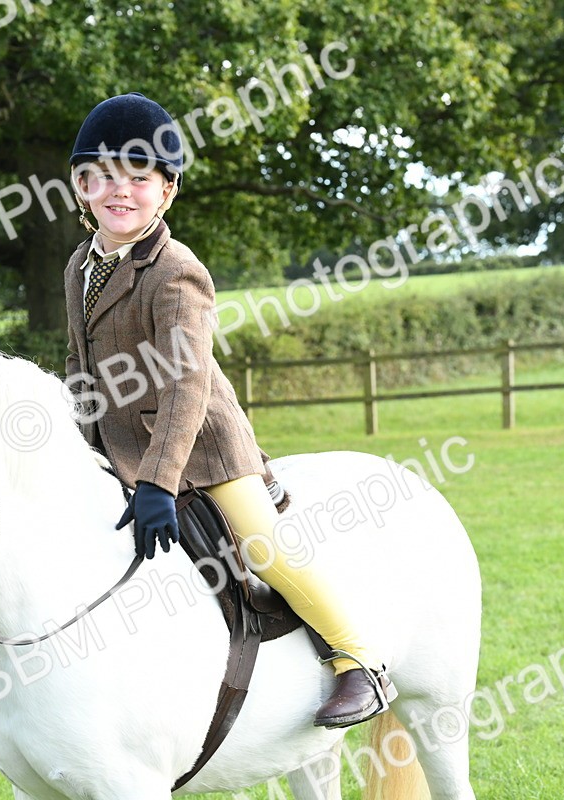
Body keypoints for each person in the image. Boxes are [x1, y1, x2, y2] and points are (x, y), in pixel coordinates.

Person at [62, 92, 395, 729]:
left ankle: (359, 661)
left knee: (263, 546)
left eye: (138, 178)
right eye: (100, 178)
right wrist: (81, 447)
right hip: (121, 444)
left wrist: (159, 482)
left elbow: (186, 387)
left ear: (167, 191)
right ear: (80, 187)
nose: (119, 192)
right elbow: (81, 365)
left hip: (205, 447)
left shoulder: (176, 271)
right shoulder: (80, 265)